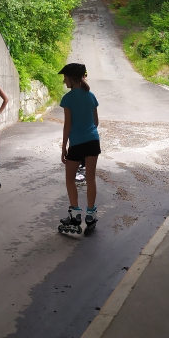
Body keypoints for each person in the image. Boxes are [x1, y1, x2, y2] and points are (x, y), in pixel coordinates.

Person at [57, 63, 100, 235]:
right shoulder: (91, 96)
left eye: (65, 77)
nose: (64, 80)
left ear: (72, 78)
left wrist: (63, 147)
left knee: (70, 179)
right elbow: (96, 122)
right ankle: (90, 216)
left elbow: (67, 125)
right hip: (93, 141)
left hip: (76, 143)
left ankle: (75, 216)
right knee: (90, 178)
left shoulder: (67, 98)